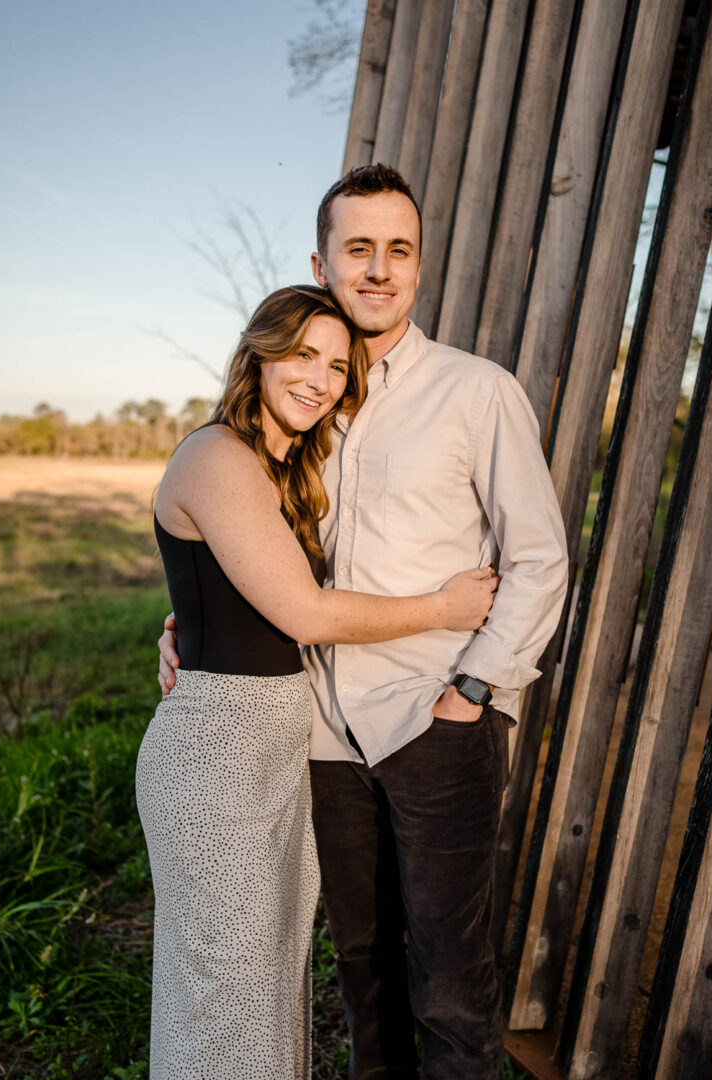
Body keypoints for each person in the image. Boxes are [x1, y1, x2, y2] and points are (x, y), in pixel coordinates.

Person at [159, 166, 569, 1078]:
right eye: (359, 249)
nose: (378, 269)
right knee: (362, 972)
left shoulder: (476, 391)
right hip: (317, 736)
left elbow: (540, 558)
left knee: (453, 987)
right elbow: (249, 546)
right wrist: (185, 620)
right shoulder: (304, 407)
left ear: (419, 267)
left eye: (399, 250)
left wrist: (473, 690)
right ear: (323, 261)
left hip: (436, 719)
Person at [137, 283, 498, 1080]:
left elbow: (228, 594)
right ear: (260, 354)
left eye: (338, 366)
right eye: (303, 355)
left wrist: (179, 628)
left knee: (265, 994)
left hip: (270, 752)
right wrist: (444, 606)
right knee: (225, 1003)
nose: (321, 379)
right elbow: (305, 612)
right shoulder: (216, 455)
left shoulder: (281, 470)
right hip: (216, 757)